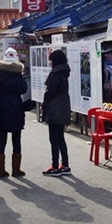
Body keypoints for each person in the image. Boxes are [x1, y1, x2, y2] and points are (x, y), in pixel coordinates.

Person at [0, 47, 28, 178]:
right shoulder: (17, 73)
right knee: (16, 138)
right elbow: (23, 89)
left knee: (1, 139)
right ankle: (16, 169)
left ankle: (0, 170)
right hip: (14, 106)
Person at [41, 49, 72, 177]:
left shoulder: (56, 73)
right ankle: (65, 165)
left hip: (55, 108)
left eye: (51, 60)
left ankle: (54, 167)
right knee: (60, 138)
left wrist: (44, 104)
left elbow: (50, 91)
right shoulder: (64, 72)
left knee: (54, 139)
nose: (50, 63)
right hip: (63, 107)